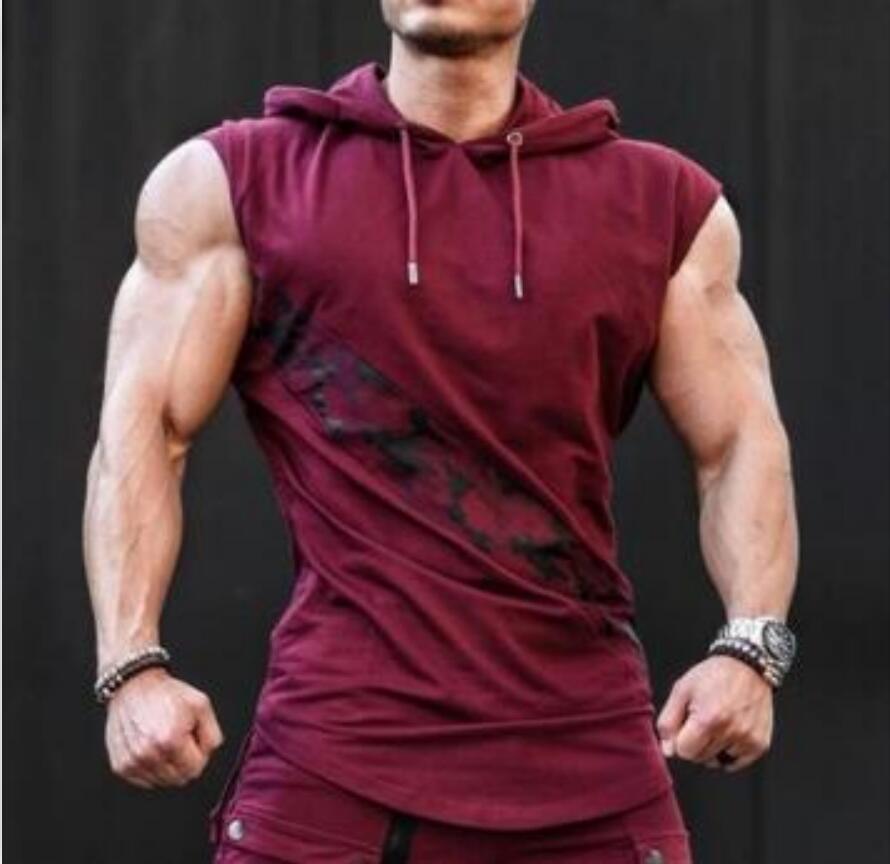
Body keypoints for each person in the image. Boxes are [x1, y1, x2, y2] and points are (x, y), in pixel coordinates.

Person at [83, 1, 799, 861]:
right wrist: (131, 665)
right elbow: (146, 426)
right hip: (333, 769)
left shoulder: (661, 204)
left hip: (587, 767)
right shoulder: (236, 182)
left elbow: (738, 443)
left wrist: (751, 646)